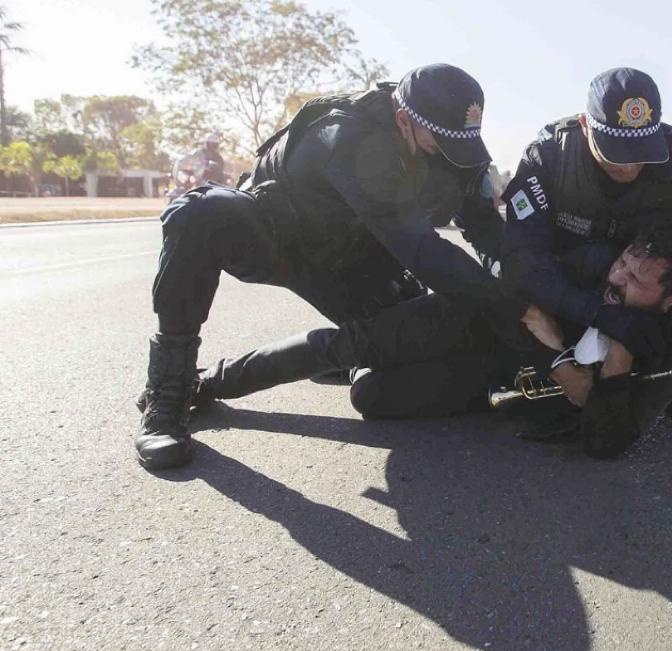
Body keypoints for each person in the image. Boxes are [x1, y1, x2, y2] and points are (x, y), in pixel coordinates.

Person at [134, 63, 534, 471]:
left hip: (358, 261)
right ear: (403, 120)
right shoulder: (350, 133)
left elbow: (487, 230)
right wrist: (517, 308)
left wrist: (534, 289)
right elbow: (422, 250)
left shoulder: (448, 143)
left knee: (400, 347)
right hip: (282, 239)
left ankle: (299, 368)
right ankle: (169, 387)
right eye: (441, 142)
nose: (452, 155)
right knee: (200, 212)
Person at [192, 221, 672, 459]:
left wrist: (609, 366)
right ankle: (207, 382)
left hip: (506, 379)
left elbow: (607, 442)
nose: (617, 279)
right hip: (481, 321)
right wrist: (557, 353)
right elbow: (514, 295)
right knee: (352, 348)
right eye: (622, 264)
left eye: (637, 281)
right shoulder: (586, 266)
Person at [498, 67, 672, 373]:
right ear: (586, 125)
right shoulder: (547, 159)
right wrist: (598, 314)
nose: (628, 166)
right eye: (615, 152)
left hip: (645, 305)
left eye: (640, 151)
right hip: (566, 291)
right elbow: (522, 259)